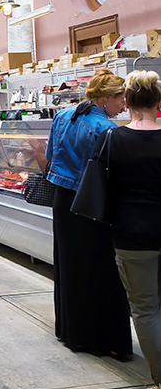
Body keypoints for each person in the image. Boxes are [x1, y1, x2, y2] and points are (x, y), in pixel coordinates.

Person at [46, 68, 132, 358]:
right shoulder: (106, 129)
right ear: (106, 99)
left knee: (69, 265)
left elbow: (50, 158)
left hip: (62, 199)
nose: (124, 105)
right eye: (121, 99)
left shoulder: (61, 117)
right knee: (102, 269)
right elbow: (113, 173)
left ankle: (72, 332)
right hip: (92, 202)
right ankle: (104, 340)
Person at [95, 70, 161, 389]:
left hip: (132, 235)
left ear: (128, 102)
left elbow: (101, 187)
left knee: (146, 309)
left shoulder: (113, 139)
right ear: (158, 102)